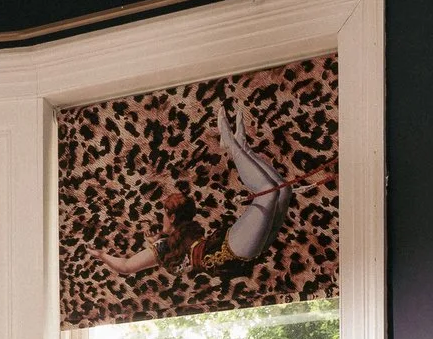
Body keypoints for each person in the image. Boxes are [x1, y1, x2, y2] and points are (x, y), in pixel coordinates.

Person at [94, 99, 327, 278]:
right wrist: (104, 255)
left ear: (172, 216)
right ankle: (239, 147)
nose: (162, 221)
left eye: (164, 216)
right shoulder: (170, 243)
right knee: (273, 191)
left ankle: (239, 147)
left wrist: (102, 255)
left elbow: (126, 266)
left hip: (231, 250)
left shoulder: (167, 245)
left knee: (280, 191)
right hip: (231, 253)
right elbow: (125, 267)